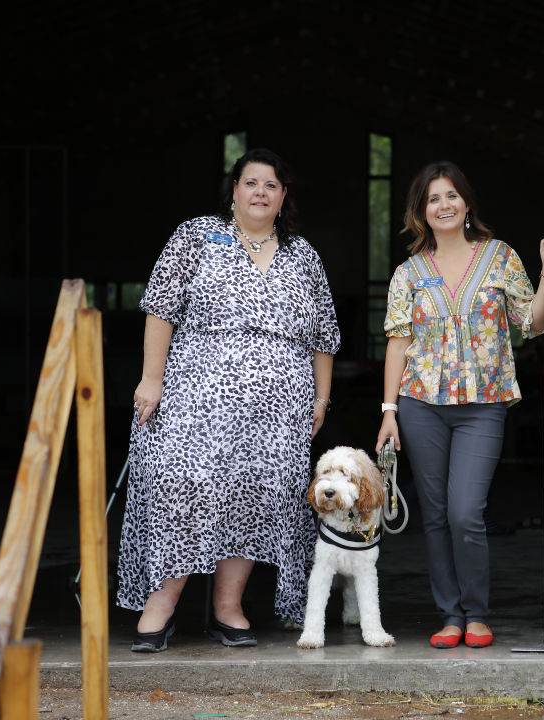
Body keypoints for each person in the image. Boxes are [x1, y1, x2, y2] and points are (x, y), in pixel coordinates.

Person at [117, 148, 341, 652]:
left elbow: (325, 334)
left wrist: (321, 398)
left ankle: (227, 609)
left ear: (284, 197)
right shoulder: (195, 235)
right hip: (196, 394)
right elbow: (160, 308)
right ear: (234, 190)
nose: (260, 192)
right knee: (184, 485)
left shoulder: (303, 255)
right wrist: (151, 379)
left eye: (272, 185)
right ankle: (162, 604)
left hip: (280, 406)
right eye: (251, 183)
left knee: (257, 496)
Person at [375, 161, 544, 649]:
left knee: (465, 511)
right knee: (433, 512)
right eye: (433, 199)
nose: (444, 205)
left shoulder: (500, 258)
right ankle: (450, 615)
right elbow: (397, 343)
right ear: (421, 212)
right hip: (419, 404)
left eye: (451, 196)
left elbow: (530, 323)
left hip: (482, 405)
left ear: (467, 203)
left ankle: (477, 612)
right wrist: (389, 411)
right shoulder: (409, 272)